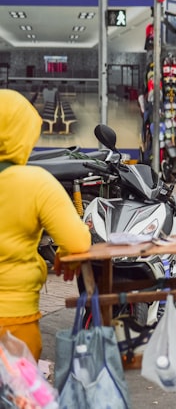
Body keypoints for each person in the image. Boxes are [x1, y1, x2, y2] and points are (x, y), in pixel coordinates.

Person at [0, 90, 91, 360]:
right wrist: (66, 256)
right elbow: (77, 241)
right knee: (18, 398)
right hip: (15, 317)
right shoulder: (35, 183)